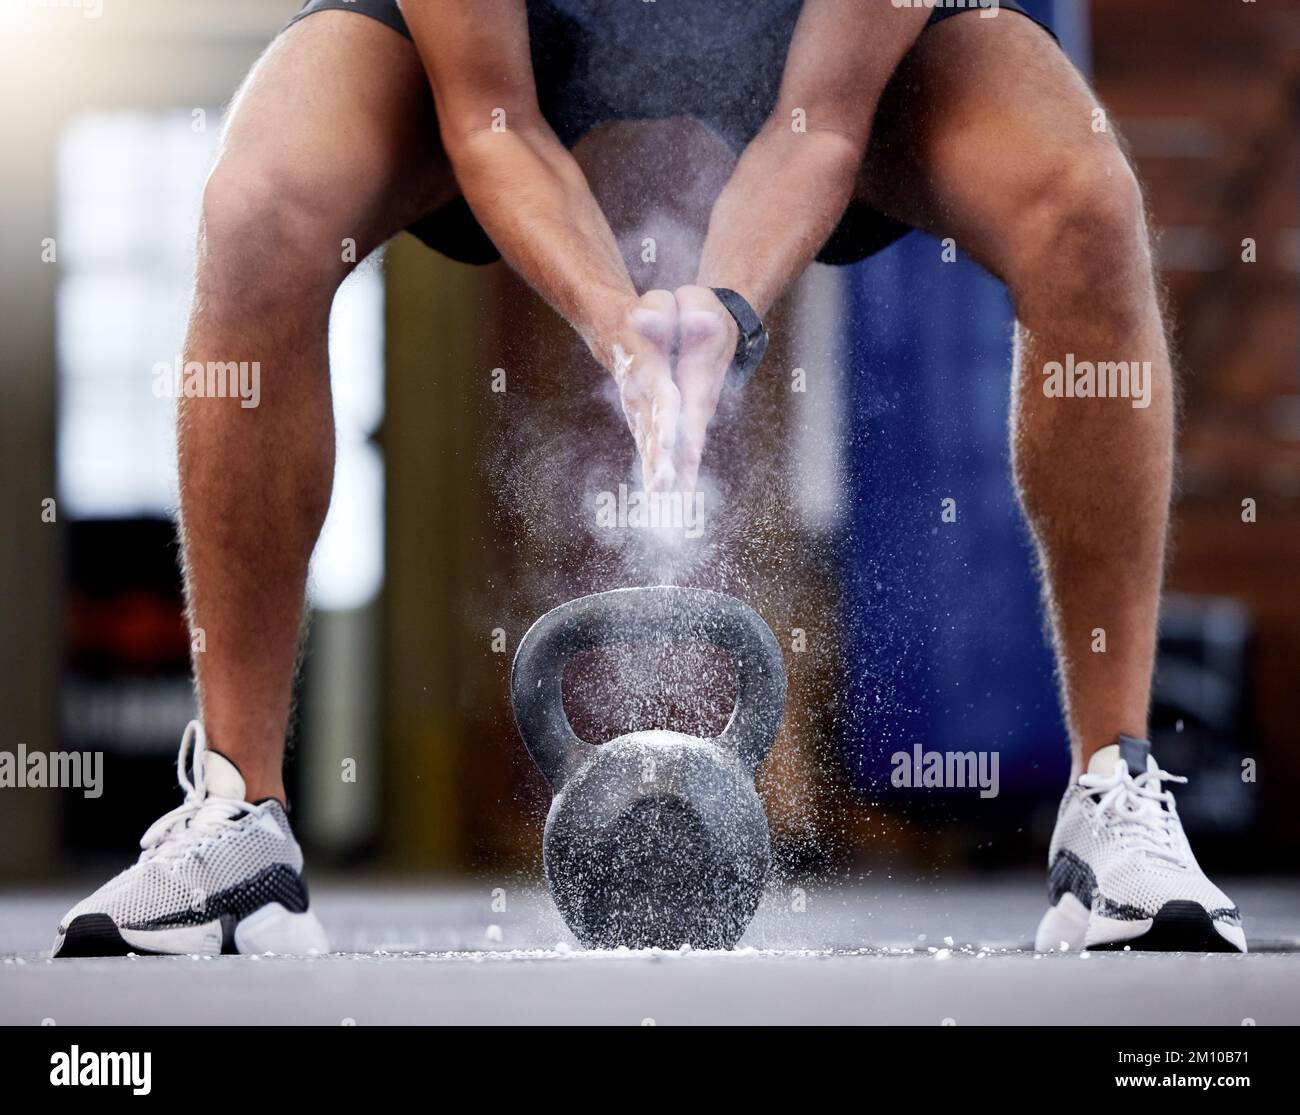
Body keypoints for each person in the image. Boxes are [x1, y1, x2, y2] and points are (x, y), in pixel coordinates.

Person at [52, 0, 1244, 957]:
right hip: (512, 59)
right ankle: (239, 817)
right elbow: (493, 121)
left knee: (1082, 201)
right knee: (259, 206)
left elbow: (822, 125)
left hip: (811, 59)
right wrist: (615, 324)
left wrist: (723, 309)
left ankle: (1111, 792)